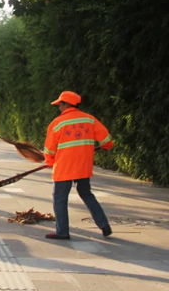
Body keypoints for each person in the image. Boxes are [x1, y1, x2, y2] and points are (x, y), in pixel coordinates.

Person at [43, 91, 113, 240]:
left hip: (64, 168)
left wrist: (50, 162)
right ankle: (104, 224)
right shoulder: (89, 120)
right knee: (86, 194)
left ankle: (62, 232)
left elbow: (49, 149)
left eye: (60, 104)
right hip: (83, 167)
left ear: (66, 104)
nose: (59, 107)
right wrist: (106, 146)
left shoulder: (57, 123)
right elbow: (107, 140)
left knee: (60, 199)